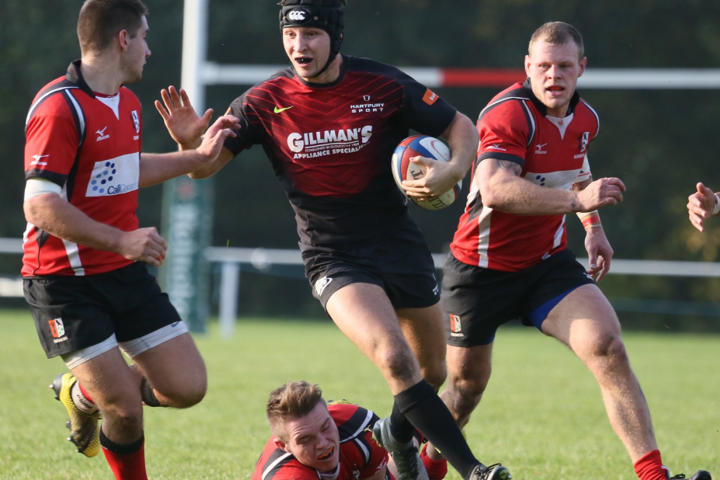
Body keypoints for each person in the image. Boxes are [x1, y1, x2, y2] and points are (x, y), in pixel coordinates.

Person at [156, 1, 509, 479]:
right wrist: (188, 146)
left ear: (335, 36)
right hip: (333, 257)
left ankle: (396, 437)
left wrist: (453, 168)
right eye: (291, 35)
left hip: (398, 244)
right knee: (393, 357)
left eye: (312, 35)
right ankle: (474, 470)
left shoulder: (382, 84)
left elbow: (459, 125)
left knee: (432, 374)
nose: (300, 46)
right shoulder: (263, 101)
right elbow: (203, 168)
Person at [426, 21, 712, 480]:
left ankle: (653, 476)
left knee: (607, 347)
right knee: (464, 390)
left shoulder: (586, 119)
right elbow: (497, 189)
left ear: (581, 68)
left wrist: (592, 228)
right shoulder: (506, 114)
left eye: (563, 66)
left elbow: (574, 169)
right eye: (543, 66)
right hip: (479, 270)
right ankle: (423, 468)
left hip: (546, 264)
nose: (553, 75)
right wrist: (580, 202)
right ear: (527, 67)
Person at [22, 1, 238, 479]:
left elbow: (126, 171)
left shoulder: (128, 103)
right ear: (123, 39)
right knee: (122, 407)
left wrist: (193, 152)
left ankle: (79, 393)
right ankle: (102, 400)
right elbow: (39, 206)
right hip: (64, 283)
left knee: (187, 388)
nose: (149, 48)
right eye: (143, 36)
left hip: (121, 273)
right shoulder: (59, 107)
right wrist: (121, 240)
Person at [254, 381, 448, 480]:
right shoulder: (287, 475)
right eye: (305, 439)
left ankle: (425, 435)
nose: (323, 443)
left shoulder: (361, 428)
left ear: (330, 415)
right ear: (284, 446)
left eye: (325, 427)